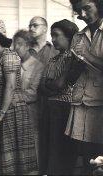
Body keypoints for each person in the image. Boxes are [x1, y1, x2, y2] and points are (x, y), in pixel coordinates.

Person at [0, 19, 37, 174]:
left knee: (15, 157)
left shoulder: (9, 56)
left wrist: (1, 114)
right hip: (0, 110)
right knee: (4, 157)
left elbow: (11, 86)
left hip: (11, 111)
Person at [65, 0, 103, 174]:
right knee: (87, 157)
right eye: (80, 10)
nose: (83, 14)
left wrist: (87, 55)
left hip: (100, 104)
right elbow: (71, 77)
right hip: (82, 103)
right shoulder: (78, 36)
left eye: (87, 8)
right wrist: (76, 64)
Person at [40, 19, 79, 175]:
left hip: (66, 110)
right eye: (51, 35)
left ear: (69, 37)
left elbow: (59, 84)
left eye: (56, 35)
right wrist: (52, 86)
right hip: (50, 108)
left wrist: (52, 85)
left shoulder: (75, 59)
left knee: (62, 152)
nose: (53, 39)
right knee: (49, 151)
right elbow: (42, 86)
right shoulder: (53, 59)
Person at [28, 16, 58, 174]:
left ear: (45, 28)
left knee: (50, 136)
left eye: (35, 25)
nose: (31, 28)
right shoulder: (25, 50)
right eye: (30, 25)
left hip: (49, 99)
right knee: (33, 136)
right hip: (30, 101)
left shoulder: (54, 49)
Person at [13, 29, 44, 172]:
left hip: (30, 114)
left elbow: (33, 93)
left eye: (19, 44)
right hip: (13, 114)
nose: (15, 47)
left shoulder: (38, 66)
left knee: (32, 150)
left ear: (28, 46)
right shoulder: (13, 64)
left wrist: (10, 97)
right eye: (14, 44)